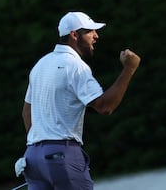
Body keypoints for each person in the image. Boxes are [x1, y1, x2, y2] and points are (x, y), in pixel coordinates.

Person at [21, 11, 140, 190]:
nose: (96, 36)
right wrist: (129, 69)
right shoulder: (75, 66)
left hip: (32, 158)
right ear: (74, 35)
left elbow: (26, 112)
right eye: (90, 31)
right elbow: (105, 107)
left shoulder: (40, 65)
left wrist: (39, 146)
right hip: (61, 155)